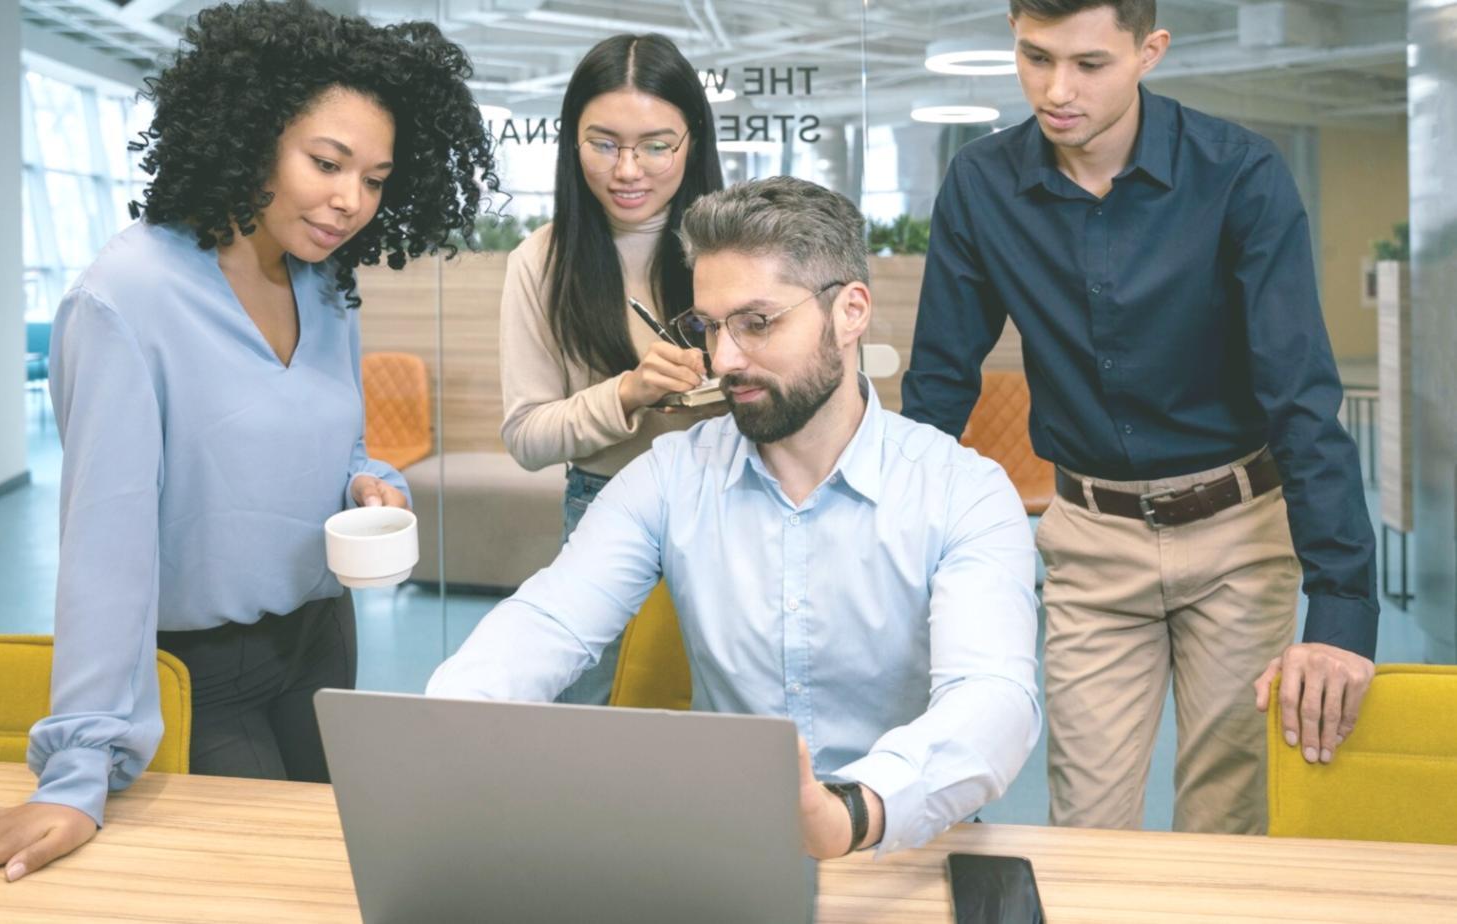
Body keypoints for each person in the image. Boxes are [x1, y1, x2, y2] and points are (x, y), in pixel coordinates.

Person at [0, 0, 494, 891]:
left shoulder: (324, 283)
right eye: (326, 163)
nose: (350, 201)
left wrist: (369, 482)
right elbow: (105, 550)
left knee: (342, 879)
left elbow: (338, 445)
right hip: (206, 673)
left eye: (375, 178)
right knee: (261, 890)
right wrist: (76, 773)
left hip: (323, 642)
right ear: (253, 136)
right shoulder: (127, 299)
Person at [428, 176, 1042, 862]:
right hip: (735, 850)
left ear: (850, 313)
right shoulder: (669, 477)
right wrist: (439, 728)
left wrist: (851, 811)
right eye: (709, 327)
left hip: (905, 844)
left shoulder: (962, 492)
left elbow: (992, 699)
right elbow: (546, 622)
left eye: (757, 323)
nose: (722, 360)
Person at [900, 0, 1378, 835]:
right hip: (1091, 540)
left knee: (1227, 822)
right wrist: (894, 554)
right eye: (1036, 57)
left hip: (1237, 538)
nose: (1056, 90)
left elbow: (1299, 395)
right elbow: (939, 386)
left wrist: (1342, 608)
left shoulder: (1237, 173)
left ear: (1148, 51)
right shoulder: (981, 184)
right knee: (1085, 824)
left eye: (1089, 63)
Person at [498, 32, 724, 705]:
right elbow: (527, 436)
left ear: (693, 141)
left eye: (656, 146)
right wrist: (628, 392)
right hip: (604, 504)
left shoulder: (742, 246)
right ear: (572, 142)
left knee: (729, 710)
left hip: (734, 498)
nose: (628, 170)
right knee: (591, 715)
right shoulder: (541, 262)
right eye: (604, 144)